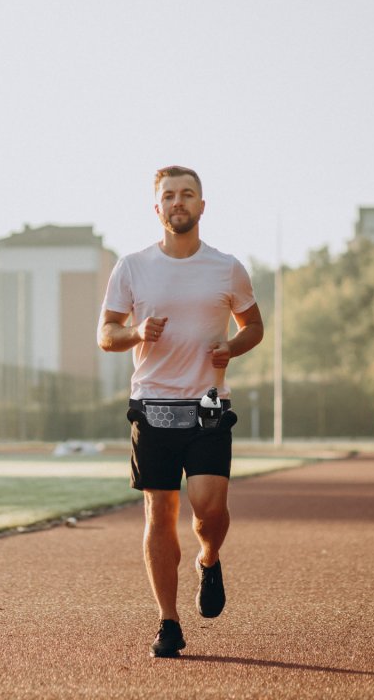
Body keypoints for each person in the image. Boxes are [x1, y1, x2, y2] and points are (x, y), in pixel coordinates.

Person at [97, 166, 264, 658]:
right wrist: (136, 332)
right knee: (160, 511)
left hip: (208, 405)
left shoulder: (227, 267)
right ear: (157, 208)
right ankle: (168, 622)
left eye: (187, 194)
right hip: (152, 403)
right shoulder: (132, 267)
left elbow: (253, 325)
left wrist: (231, 348)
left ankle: (209, 559)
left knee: (210, 510)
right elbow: (106, 334)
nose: (178, 202)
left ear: (201, 205)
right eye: (169, 196)